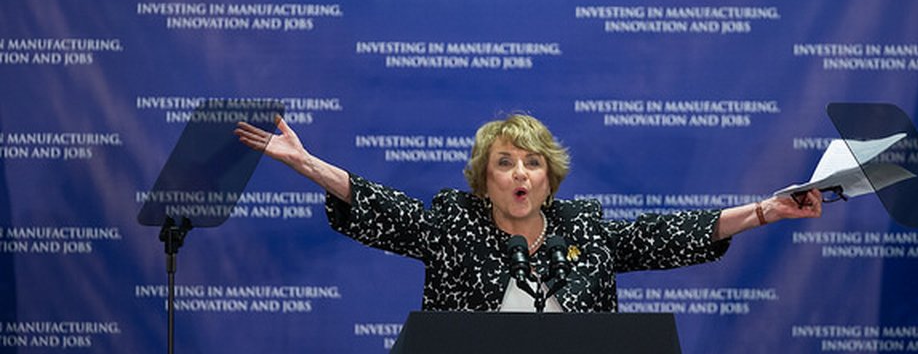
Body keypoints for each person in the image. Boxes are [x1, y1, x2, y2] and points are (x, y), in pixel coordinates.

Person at [234, 113, 822, 312]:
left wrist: (766, 211)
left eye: (532, 163)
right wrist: (306, 163)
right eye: (505, 163)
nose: (520, 173)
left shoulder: (583, 229)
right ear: (483, 181)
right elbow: (380, 207)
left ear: (550, 179)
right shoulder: (453, 225)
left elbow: (667, 235)